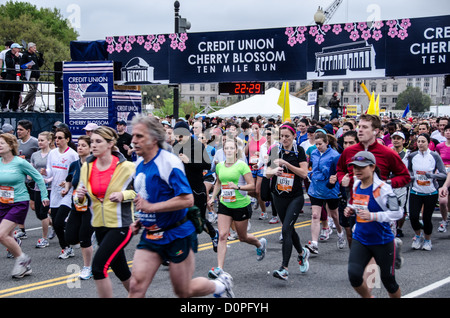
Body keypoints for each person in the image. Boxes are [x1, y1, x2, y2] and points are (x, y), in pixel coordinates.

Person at [128, 115, 234, 298]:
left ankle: (219, 285)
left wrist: (151, 208)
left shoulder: (169, 162)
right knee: (136, 287)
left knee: (183, 290)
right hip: (152, 233)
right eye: (133, 136)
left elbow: (187, 200)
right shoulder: (139, 163)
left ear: (153, 139)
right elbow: (147, 195)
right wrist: (141, 218)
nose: (133, 141)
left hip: (177, 233)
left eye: (139, 136)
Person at [75, 126, 136, 297]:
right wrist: (79, 196)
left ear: (110, 144)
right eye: (92, 141)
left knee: (98, 268)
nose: (93, 145)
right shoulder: (87, 167)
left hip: (121, 225)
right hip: (99, 224)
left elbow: (141, 192)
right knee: (121, 270)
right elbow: (79, 197)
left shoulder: (127, 167)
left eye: (98, 141)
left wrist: (123, 195)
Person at [344, 151, 402, 298]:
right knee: (354, 276)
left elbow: (398, 213)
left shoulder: (383, 189)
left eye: (361, 167)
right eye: (354, 167)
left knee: (389, 281)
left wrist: (373, 216)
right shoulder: (357, 184)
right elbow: (358, 203)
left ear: (372, 167)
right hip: (361, 238)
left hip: (382, 241)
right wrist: (350, 208)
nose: (357, 170)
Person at [207, 137, 267, 280]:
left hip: (241, 205)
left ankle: (259, 244)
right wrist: (212, 197)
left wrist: (238, 187)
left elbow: (252, 185)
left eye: (231, 148)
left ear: (236, 150)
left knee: (242, 237)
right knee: (222, 235)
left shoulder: (241, 166)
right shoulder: (220, 166)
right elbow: (218, 183)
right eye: (226, 148)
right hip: (225, 204)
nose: (228, 150)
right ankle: (219, 269)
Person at [265, 122, 310, 280]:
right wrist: (273, 170)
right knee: (288, 229)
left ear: (294, 136)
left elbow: (304, 173)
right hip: (278, 195)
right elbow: (267, 174)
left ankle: (284, 268)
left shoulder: (299, 151)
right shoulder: (275, 150)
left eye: (287, 136)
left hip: (295, 197)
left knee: (285, 231)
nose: (284, 139)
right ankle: (302, 253)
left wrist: (286, 164)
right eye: (282, 136)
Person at [0, 133, 49, 278]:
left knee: (1, 234)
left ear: (10, 145)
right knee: (6, 236)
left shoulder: (20, 162)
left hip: (18, 202)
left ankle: (23, 259)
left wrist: (44, 196)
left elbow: (38, 177)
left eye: (2, 143)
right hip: (3, 203)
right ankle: (23, 264)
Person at [172, 120, 219, 252]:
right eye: (177, 135)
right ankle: (178, 249)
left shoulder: (197, 145)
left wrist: (189, 161)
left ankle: (214, 234)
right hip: (180, 188)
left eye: (181, 135)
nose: (179, 138)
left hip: (196, 189)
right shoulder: (176, 145)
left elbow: (207, 165)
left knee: (198, 219)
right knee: (179, 218)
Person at [41, 126, 79, 259]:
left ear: (67, 139)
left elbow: (76, 173)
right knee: (57, 225)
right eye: (55, 138)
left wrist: (68, 182)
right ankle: (67, 246)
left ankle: (68, 245)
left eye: (60, 138)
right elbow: (50, 170)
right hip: (55, 192)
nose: (57, 140)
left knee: (57, 222)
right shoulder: (52, 153)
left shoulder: (73, 155)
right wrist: (46, 173)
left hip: (68, 192)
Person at [306, 131, 345, 255]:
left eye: (320, 144)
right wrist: (310, 174)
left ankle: (340, 233)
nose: (318, 146)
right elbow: (311, 166)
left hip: (330, 189)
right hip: (315, 188)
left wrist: (333, 178)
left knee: (334, 215)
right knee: (315, 216)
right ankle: (314, 244)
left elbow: (339, 171)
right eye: (316, 144)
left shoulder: (335, 155)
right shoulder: (313, 153)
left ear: (327, 143)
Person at [407, 133, 446, 251]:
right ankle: (418, 236)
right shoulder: (412, 156)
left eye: (423, 141)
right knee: (413, 217)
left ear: (428, 143)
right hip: (416, 191)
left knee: (427, 218)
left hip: (430, 192)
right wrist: (411, 177)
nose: (420, 144)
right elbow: (408, 171)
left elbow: (443, 173)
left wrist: (433, 175)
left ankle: (428, 240)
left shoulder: (434, 156)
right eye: (418, 141)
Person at [63, 135, 94, 280]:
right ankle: (93, 236)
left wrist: (89, 191)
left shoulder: (95, 164)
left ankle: (87, 267)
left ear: (90, 149)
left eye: (83, 145)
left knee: (84, 238)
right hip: (76, 205)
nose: (80, 148)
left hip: (91, 206)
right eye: (79, 145)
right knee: (69, 237)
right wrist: (66, 187)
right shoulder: (74, 164)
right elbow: (70, 179)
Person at [15, 120, 39, 239]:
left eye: (21, 130)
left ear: (28, 131)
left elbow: (42, 157)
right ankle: (22, 230)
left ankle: (53, 222)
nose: (18, 132)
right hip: (20, 180)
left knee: (35, 207)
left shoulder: (35, 142)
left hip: (32, 180)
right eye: (18, 129)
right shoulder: (16, 143)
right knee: (19, 203)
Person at [30, 131, 53, 248]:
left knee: (43, 213)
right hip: (38, 187)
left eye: (42, 140)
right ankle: (57, 225)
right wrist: (31, 176)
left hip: (50, 188)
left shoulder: (53, 154)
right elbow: (31, 171)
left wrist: (49, 178)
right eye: (38, 140)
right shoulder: (35, 155)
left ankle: (44, 238)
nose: (39, 142)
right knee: (38, 213)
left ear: (49, 141)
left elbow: (57, 172)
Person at [245, 122, 267, 219]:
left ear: (260, 129)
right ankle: (259, 200)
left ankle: (264, 212)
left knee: (258, 191)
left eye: (257, 128)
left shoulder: (264, 140)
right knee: (250, 191)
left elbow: (267, 152)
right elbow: (245, 153)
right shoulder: (250, 140)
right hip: (251, 166)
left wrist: (260, 153)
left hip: (261, 166)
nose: (255, 130)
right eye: (253, 128)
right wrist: (249, 142)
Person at [19, 42, 44, 112]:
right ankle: (23, 105)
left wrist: (41, 57)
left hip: (36, 74)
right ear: (30, 48)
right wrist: (27, 66)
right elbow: (22, 65)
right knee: (32, 90)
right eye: (34, 48)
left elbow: (39, 64)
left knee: (34, 91)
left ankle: (31, 106)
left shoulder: (34, 55)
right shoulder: (25, 55)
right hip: (30, 74)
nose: (35, 49)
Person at [435, 123, 450, 233]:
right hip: (442, 175)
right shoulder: (440, 146)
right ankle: (444, 220)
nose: (448, 132)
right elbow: (436, 161)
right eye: (446, 131)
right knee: (443, 201)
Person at [2, 43, 23, 112]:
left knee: (17, 92)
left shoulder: (19, 56)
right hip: (10, 74)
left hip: (17, 74)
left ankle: (14, 107)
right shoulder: (8, 54)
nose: (19, 50)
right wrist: (16, 58)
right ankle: (4, 106)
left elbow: (20, 65)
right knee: (8, 92)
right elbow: (9, 64)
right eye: (18, 48)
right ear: (13, 48)